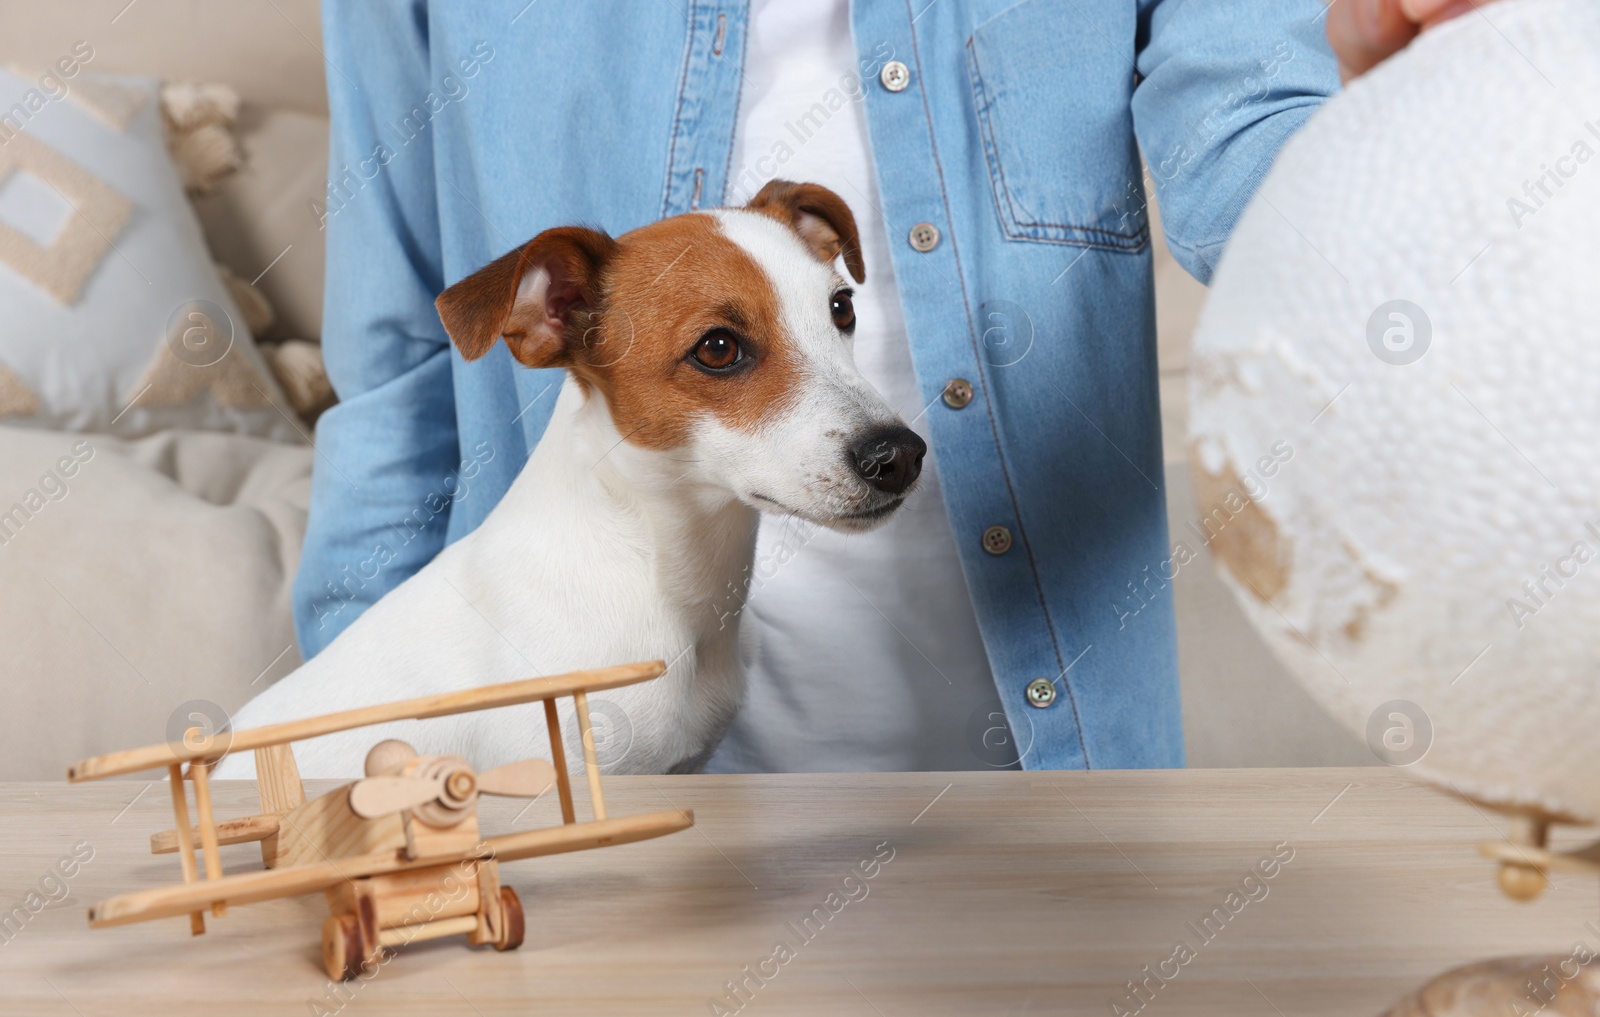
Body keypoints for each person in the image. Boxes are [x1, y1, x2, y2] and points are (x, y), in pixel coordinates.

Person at [294, 0, 1483, 773]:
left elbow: (1251, 146)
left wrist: (1411, 127)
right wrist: (352, 768)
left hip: (1033, 764)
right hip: (587, 785)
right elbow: (400, 350)